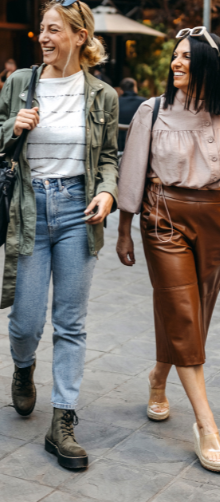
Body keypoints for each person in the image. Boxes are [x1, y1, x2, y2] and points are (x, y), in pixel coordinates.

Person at [0, 0, 118, 470]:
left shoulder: (102, 95)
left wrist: (108, 193)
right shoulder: (22, 82)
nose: (44, 37)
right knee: (25, 321)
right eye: (42, 28)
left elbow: (107, 160)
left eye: (54, 29)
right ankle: (24, 367)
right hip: (29, 208)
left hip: (80, 211)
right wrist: (13, 127)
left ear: (80, 36)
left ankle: (62, 419)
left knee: (71, 322)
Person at [116, 27, 220, 473]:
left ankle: (159, 378)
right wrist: (124, 228)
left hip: (215, 220)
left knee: (195, 314)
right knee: (181, 310)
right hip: (162, 218)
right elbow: (132, 170)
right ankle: (207, 426)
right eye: (174, 57)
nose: (176, 63)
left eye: (185, 57)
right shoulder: (151, 110)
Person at [117, 77, 146, 152]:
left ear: (121, 90)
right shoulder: (144, 103)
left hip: (117, 147)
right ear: (135, 89)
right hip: (138, 147)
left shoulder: (115, 103)